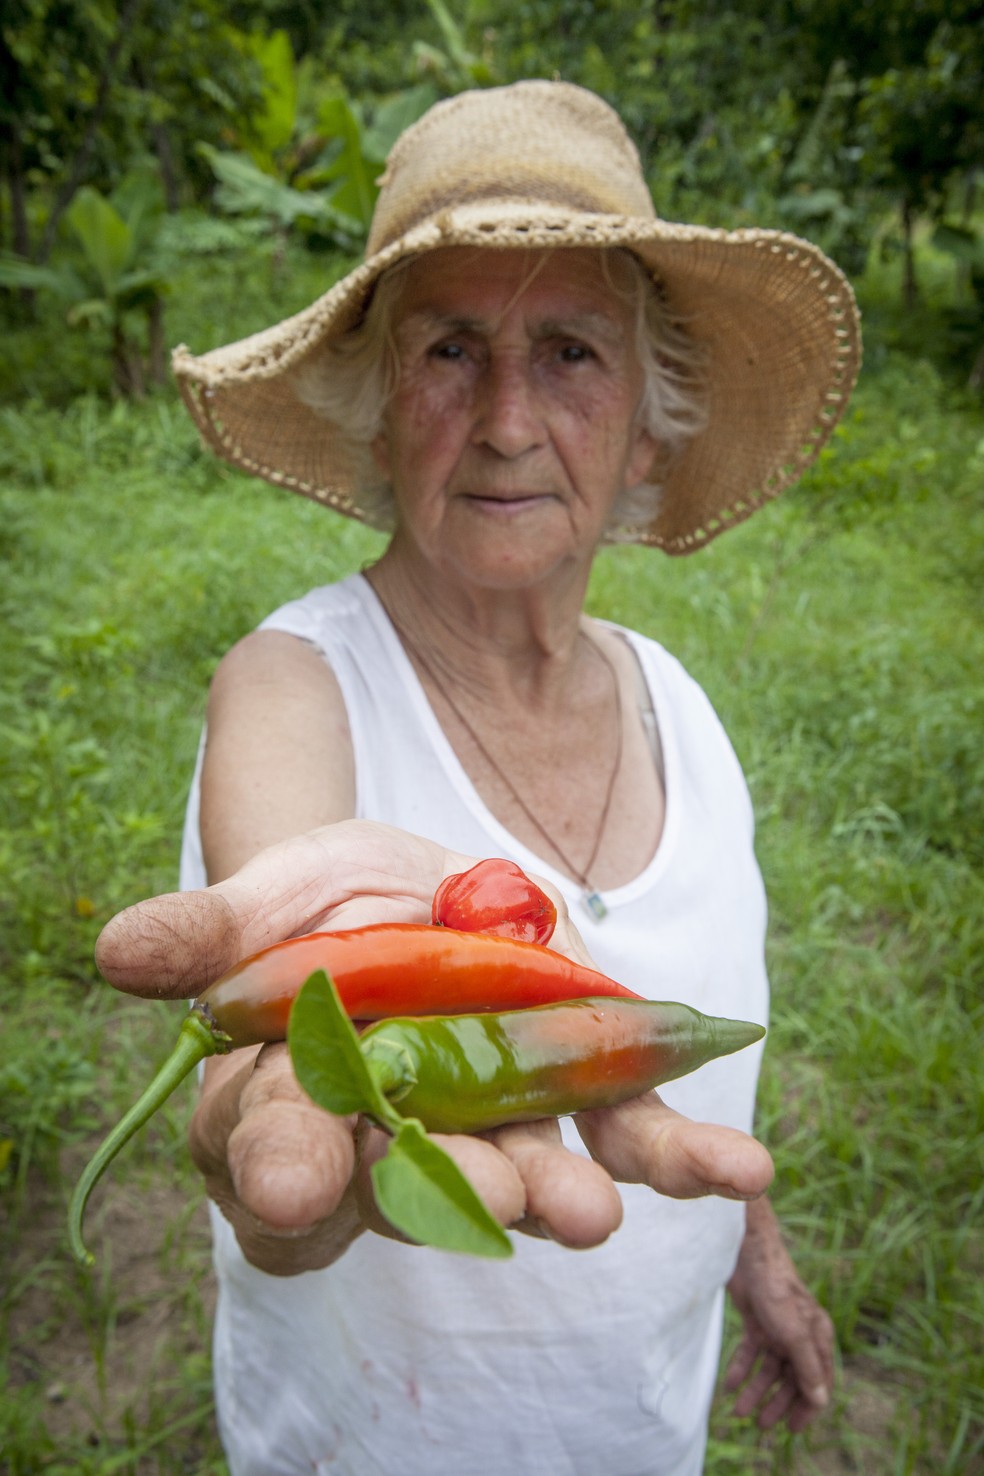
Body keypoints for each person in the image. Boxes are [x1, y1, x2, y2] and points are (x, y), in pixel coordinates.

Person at [95, 80, 860, 1475]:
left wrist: (757, 1249)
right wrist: (280, 1125)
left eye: (571, 352)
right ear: (380, 414)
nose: (508, 419)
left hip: (647, 1430)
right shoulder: (291, 684)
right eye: (450, 349)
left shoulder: (682, 707)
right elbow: (295, 994)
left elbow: (690, 1045)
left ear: (648, 428)